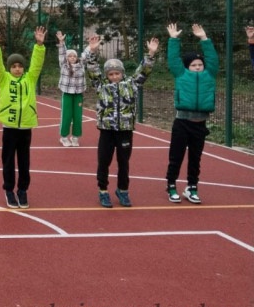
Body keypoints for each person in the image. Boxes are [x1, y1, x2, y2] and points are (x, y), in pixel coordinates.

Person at [84, 33, 159, 208]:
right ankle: (103, 191)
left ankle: (123, 190)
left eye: (117, 73)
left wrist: (151, 55)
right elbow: (92, 69)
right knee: (104, 161)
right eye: (111, 74)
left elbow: (144, 71)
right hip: (107, 131)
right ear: (107, 75)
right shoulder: (101, 85)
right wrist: (93, 52)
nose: (115, 76)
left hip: (125, 130)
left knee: (123, 163)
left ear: (122, 73)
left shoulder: (132, 84)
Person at [0, 27, 46, 209]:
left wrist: (39, 45)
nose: (17, 69)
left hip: (26, 127)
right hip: (9, 128)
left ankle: (22, 190)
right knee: (8, 161)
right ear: (9, 67)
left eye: (20, 65)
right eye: (14, 66)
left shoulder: (30, 78)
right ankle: (9, 190)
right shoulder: (3, 79)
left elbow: (37, 64)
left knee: (24, 162)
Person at [165, 23, 219, 204]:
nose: (197, 67)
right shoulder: (181, 74)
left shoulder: (210, 74)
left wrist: (204, 38)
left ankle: (192, 187)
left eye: (200, 64)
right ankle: (171, 186)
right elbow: (173, 59)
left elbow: (212, 59)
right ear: (187, 66)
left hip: (200, 124)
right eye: (194, 65)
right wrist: (173, 39)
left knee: (196, 158)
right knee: (176, 156)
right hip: (182, 123)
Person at [55, 30, 86, 147]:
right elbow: (62, 54)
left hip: (78, 94)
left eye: (74, 56)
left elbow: (87, 53)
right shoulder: (64, 65)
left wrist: (92, 47)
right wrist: (62, 42)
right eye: (70, 56)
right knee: (66, 115)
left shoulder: (81, 65)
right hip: (67, 93)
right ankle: (64, 137)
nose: (72, 57)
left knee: (78, 116)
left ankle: (75, 137)